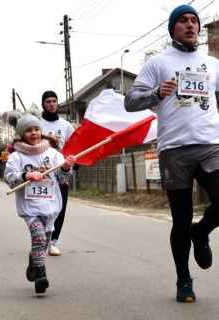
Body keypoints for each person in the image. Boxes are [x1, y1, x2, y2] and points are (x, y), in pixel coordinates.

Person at [124, 4, 219, 303]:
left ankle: (201, 232)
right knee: (180, 218)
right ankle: (184, 280)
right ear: (172, 28)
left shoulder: (213, 64)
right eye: (183, 21)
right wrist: (157, 94)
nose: (190, 25)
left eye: (194, 21)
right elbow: (130, 100)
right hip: (174, 150)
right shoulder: (158, 63)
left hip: (210, 145)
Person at [4, 111, 75, 294]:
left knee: (44, 241)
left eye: (36, 129)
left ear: (41, 131)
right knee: (39, 236)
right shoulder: (16, 156)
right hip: (30, 206)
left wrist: (66, 167)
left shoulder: (52, 153)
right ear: (21, 134)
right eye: (28, 130)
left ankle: (33, 262)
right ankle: (41, 274)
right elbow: (10, 178)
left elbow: (60, 177)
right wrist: (26, 175)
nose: (34, 133)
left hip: (50, 206)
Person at [40, 90, 78, 256]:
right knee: (43, 209)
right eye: (48, 101)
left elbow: (73, 146)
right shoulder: (37, 123)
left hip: (61, 172)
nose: (51, 104)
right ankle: (41, 238)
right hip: (41, 171)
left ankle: (53, 242)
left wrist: (74, 163)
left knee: (60, 209)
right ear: (43, 104)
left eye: (54, 101)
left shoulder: (66, 125)